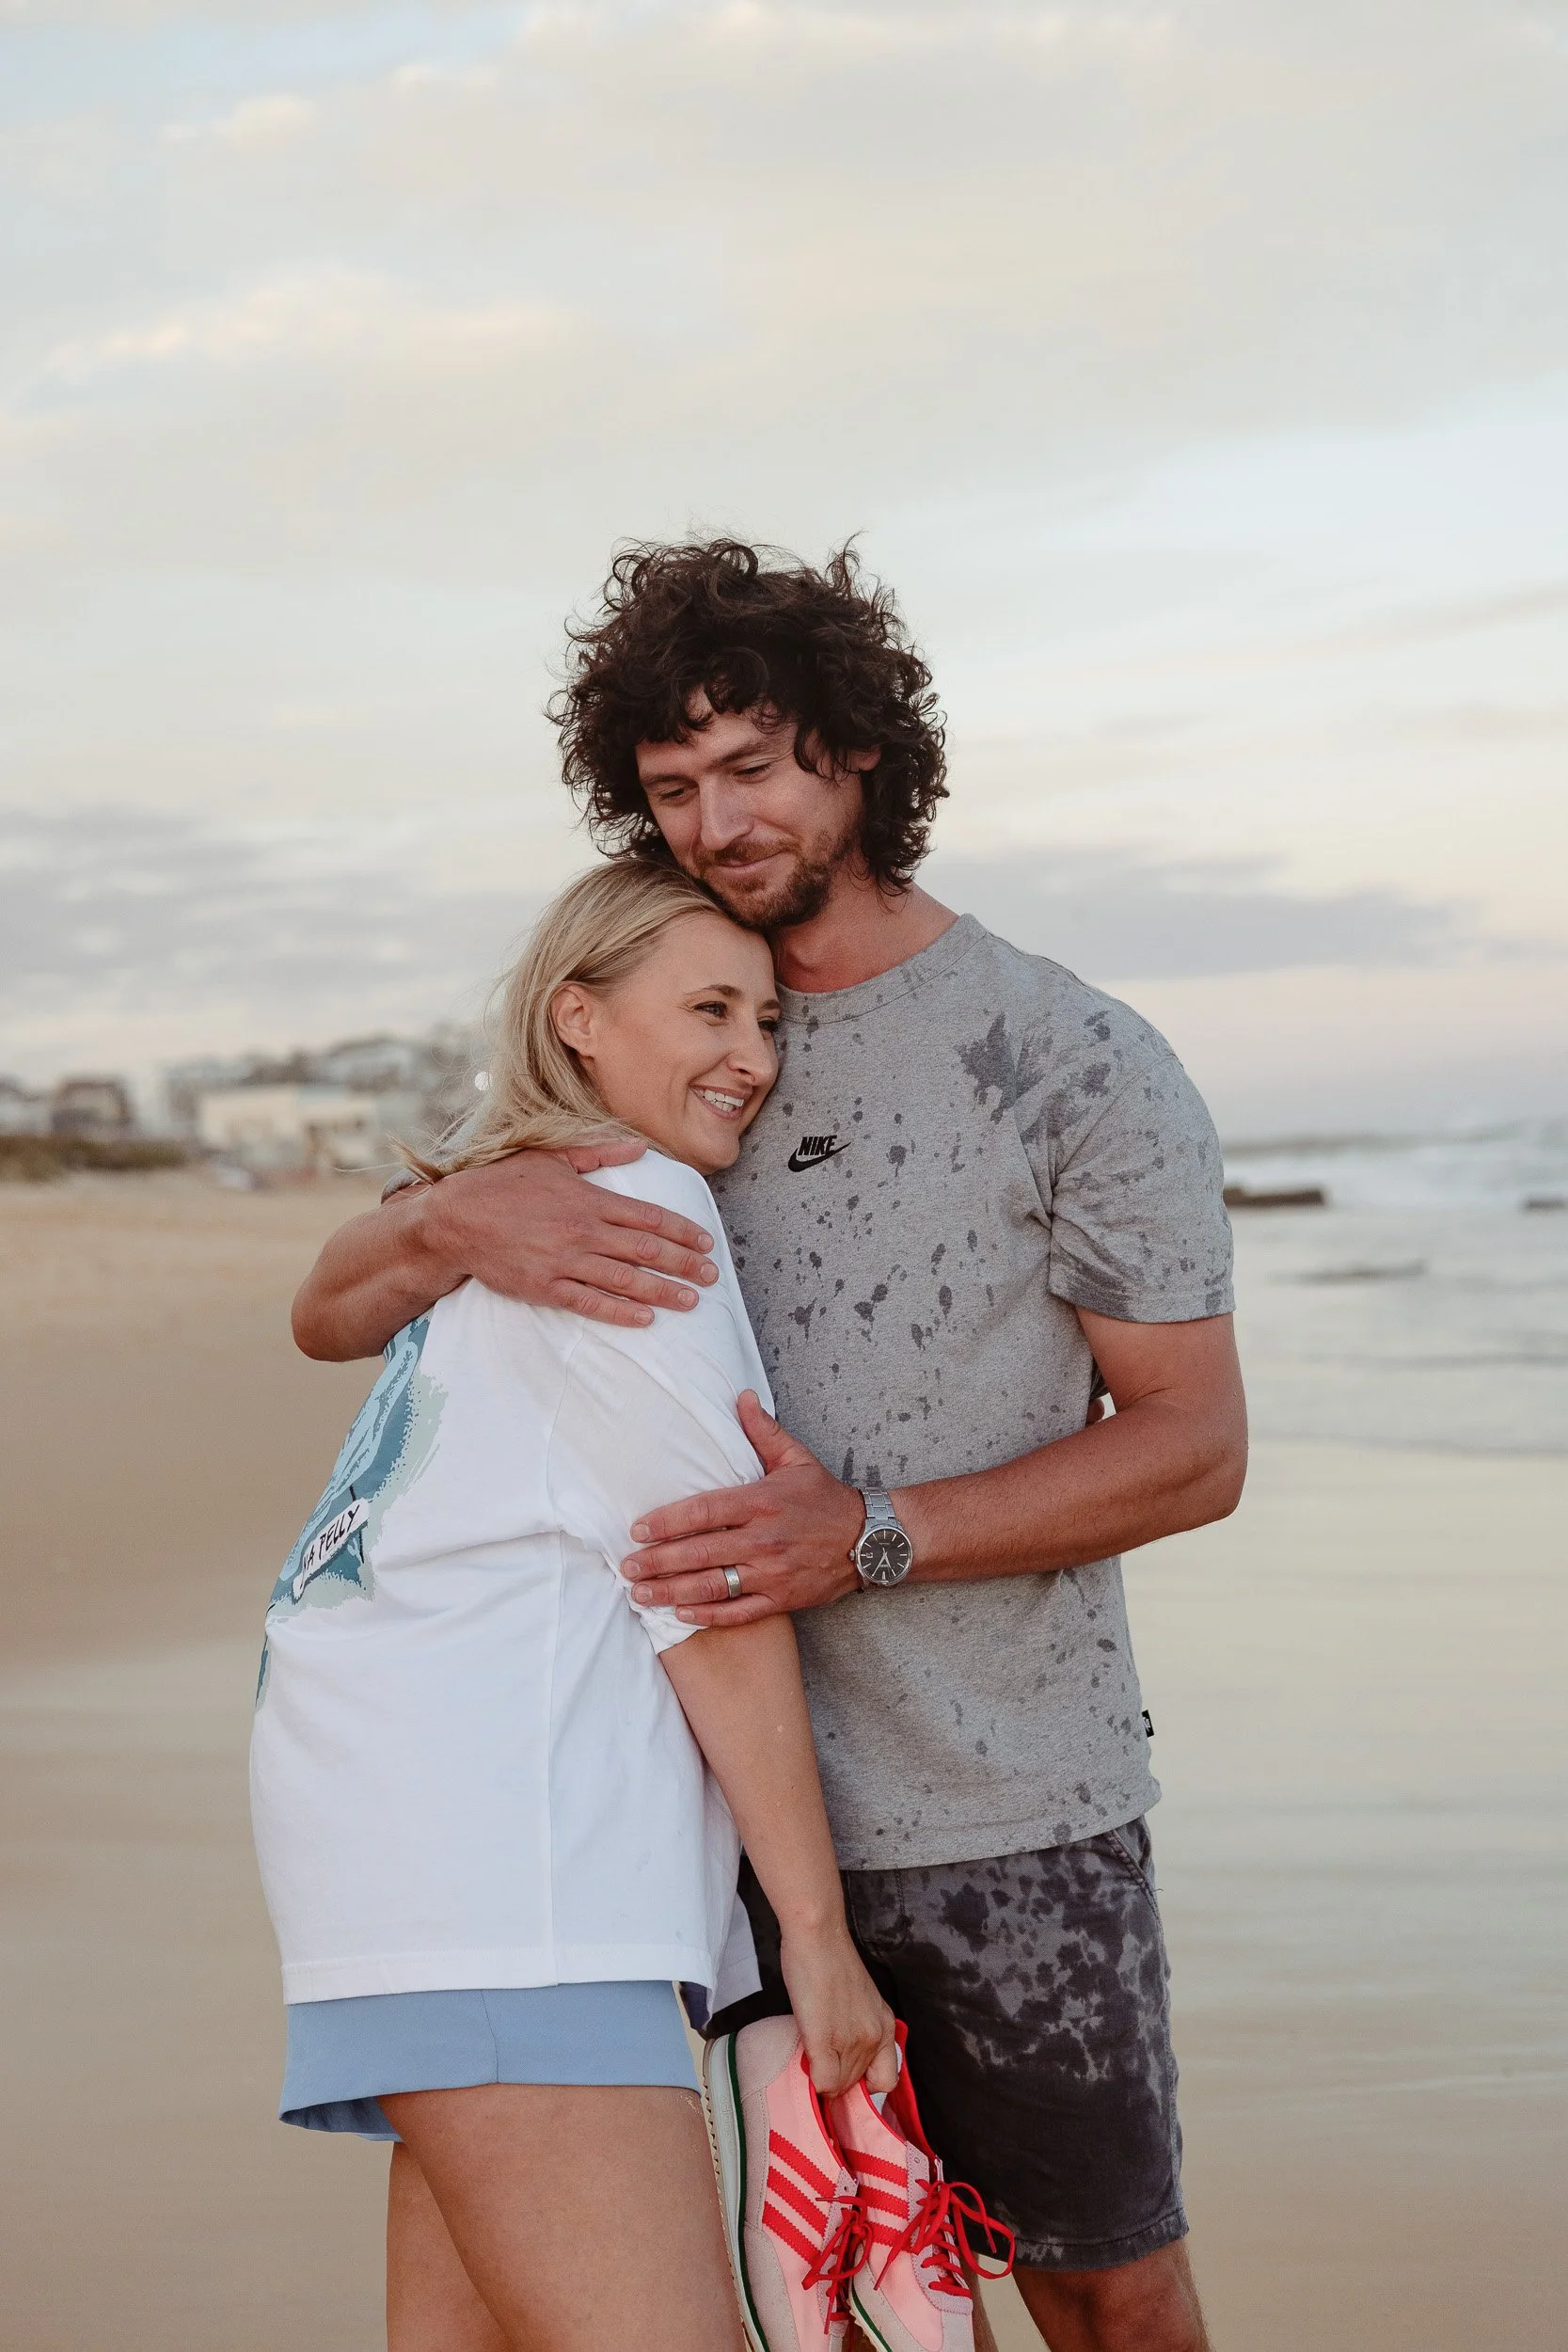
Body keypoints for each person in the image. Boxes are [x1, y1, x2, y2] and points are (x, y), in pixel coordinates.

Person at [292, 541, 1249, 2352]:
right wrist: (445, 1220)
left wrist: (865, 1533)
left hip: (998, 1807)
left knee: (1101, 2286)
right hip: (674, 1827)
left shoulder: (1066, 1056)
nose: (717, 822)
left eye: (752, 767)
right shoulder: (660, 1027)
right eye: (672, 787)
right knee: (791, 2311)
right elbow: (333, 1308)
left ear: (859, 748)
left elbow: (1195, 1447)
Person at [251, 859, 897, 2352]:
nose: (752, 1054)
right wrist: (816, 1935)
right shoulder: (634, 1211)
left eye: (767, 1019)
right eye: (709, 1010)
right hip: (512, 1891)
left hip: (408, 1870)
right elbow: (709, 1582)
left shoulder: (505, 1218)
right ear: (578, 1017)